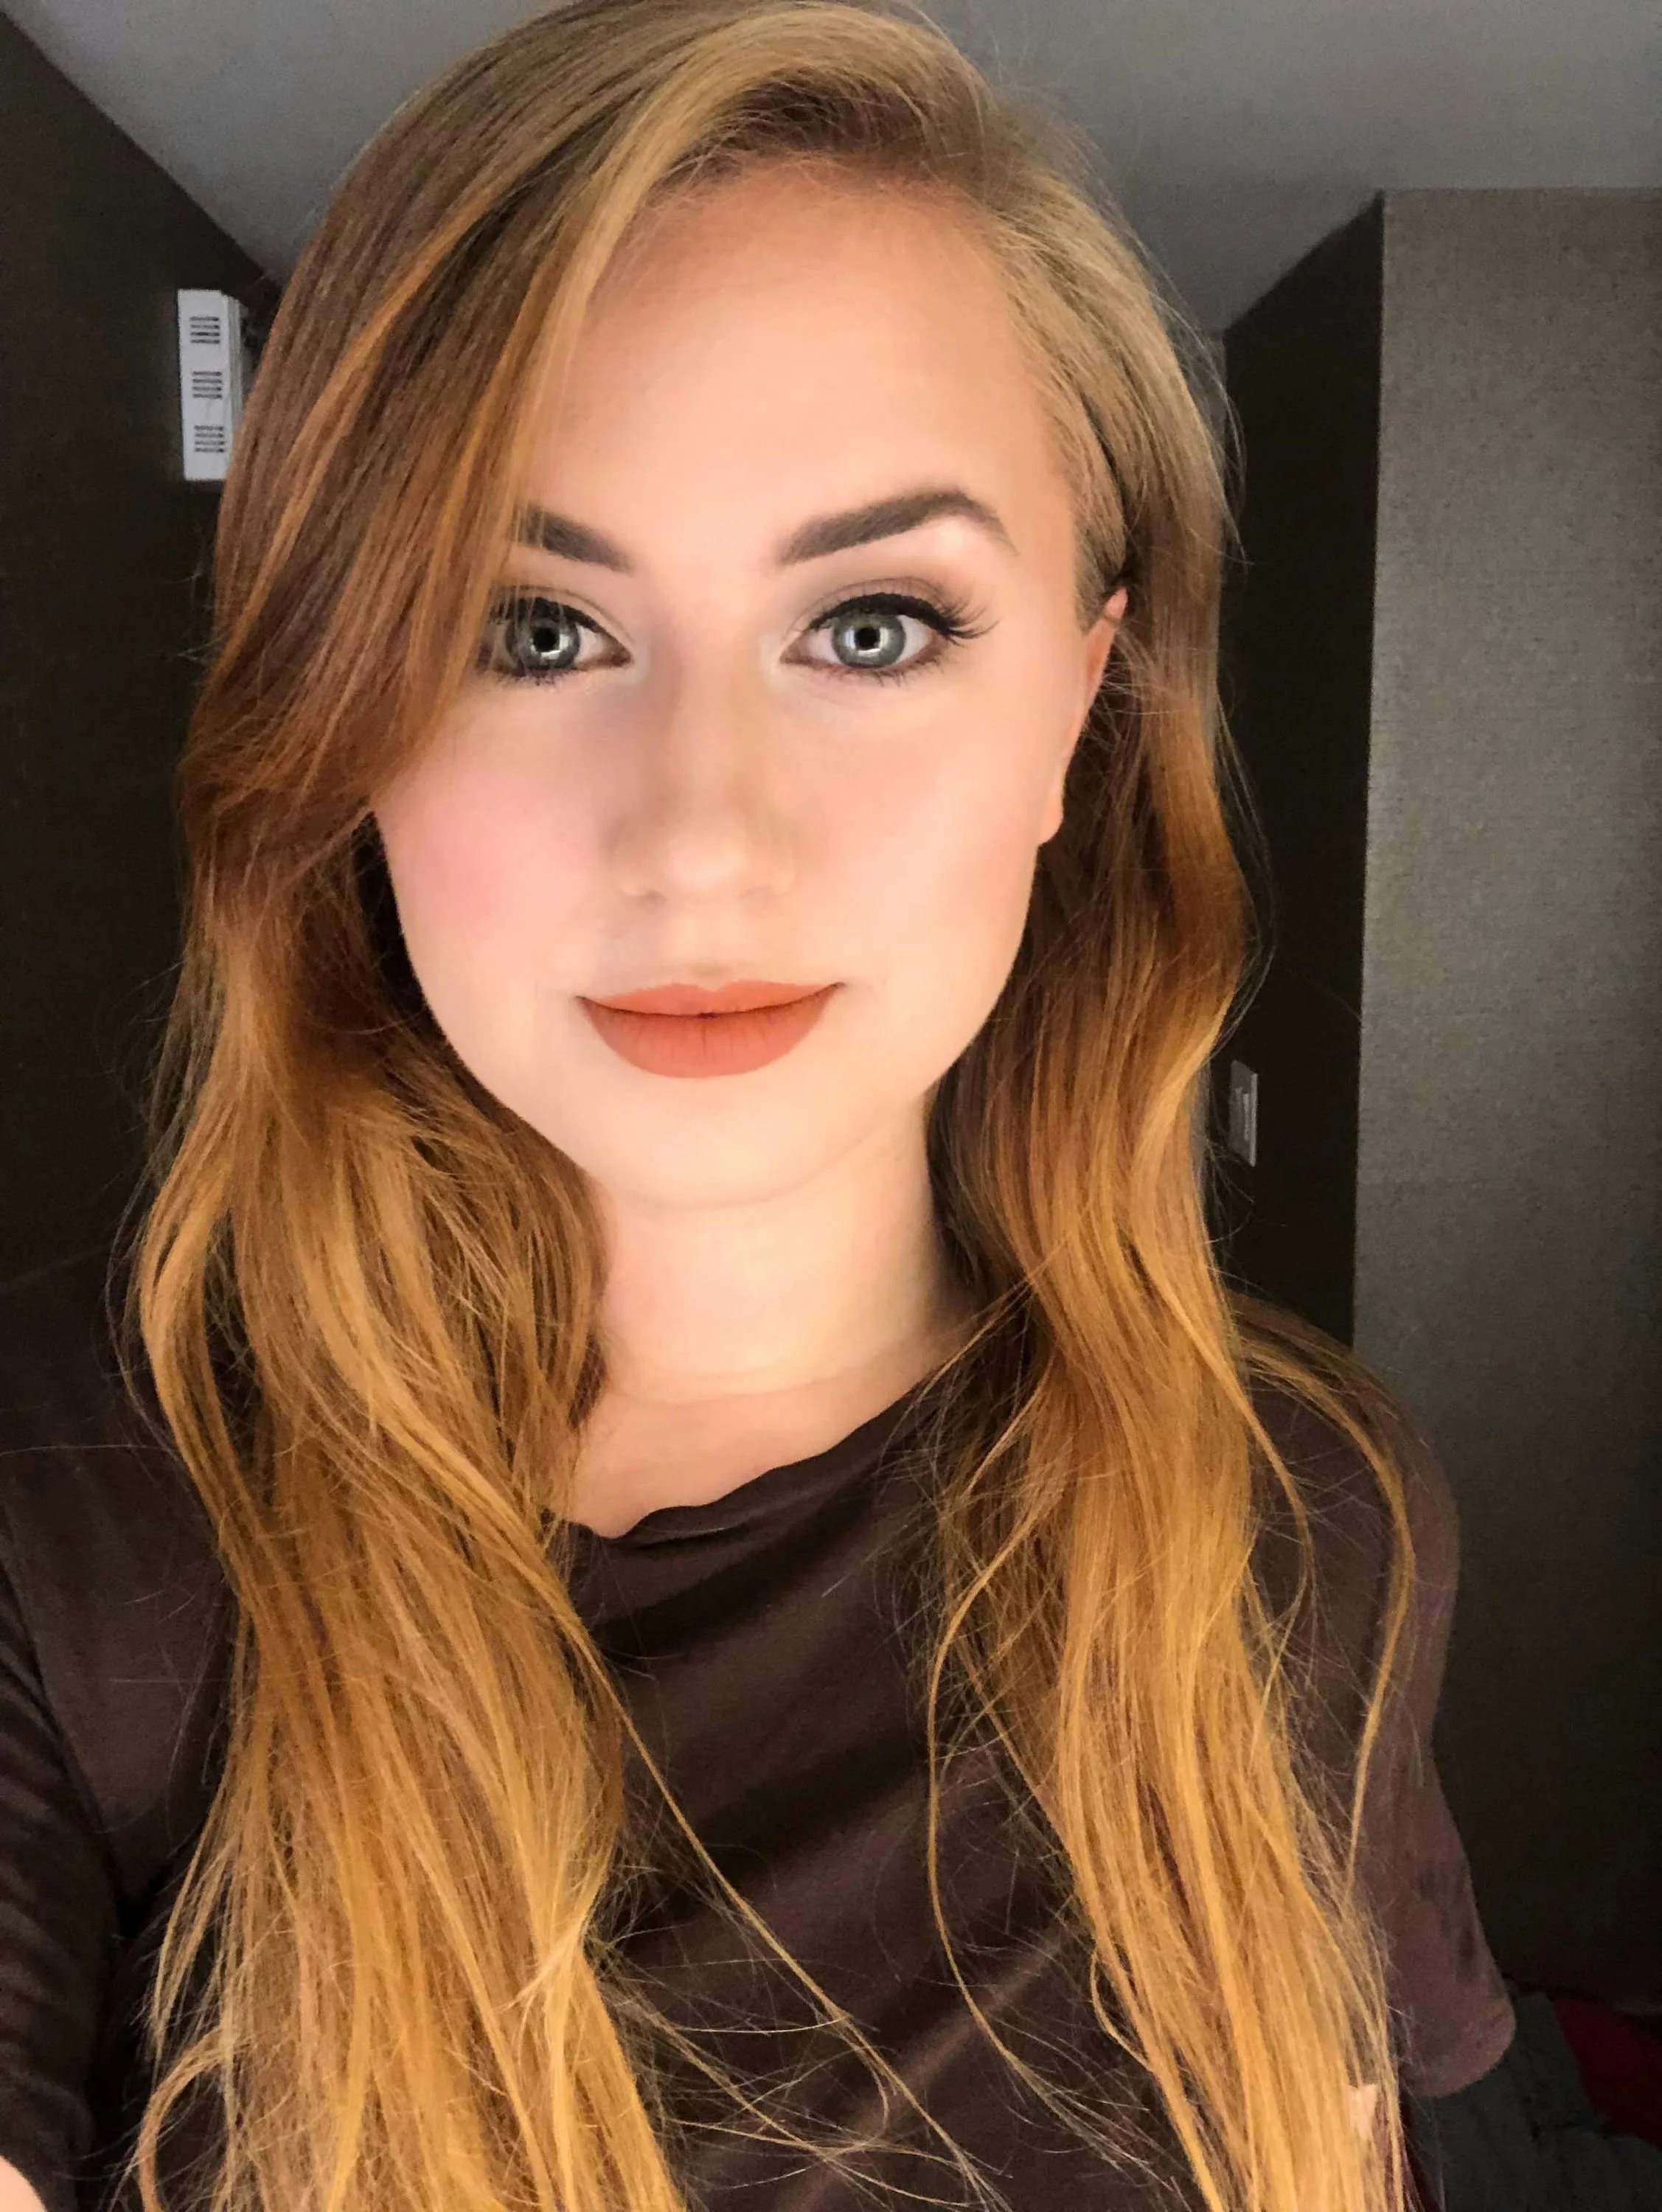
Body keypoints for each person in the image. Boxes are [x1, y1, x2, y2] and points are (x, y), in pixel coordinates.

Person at [0, 3, 1518, 2209]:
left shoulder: (1298, 1506)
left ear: (1078, 708)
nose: (699, 841)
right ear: (344, 726)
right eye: (526, 631)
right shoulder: (66, 1525)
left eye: (876, 627)